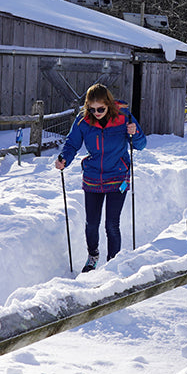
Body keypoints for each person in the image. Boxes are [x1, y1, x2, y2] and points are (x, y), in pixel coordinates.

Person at [55, 83, 146, 273]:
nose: (96, 112)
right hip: (93, 177)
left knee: (112, 224)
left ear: (109, 104)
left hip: (117, 175)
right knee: (92, 223)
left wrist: (134, 133)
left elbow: (141, 144)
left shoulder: (124, 118)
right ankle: (92, 256)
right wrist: (64, 158)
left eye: (101, 109)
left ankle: (113, 262)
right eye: (92, 108)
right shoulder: (83, 121)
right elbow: (72, 144)